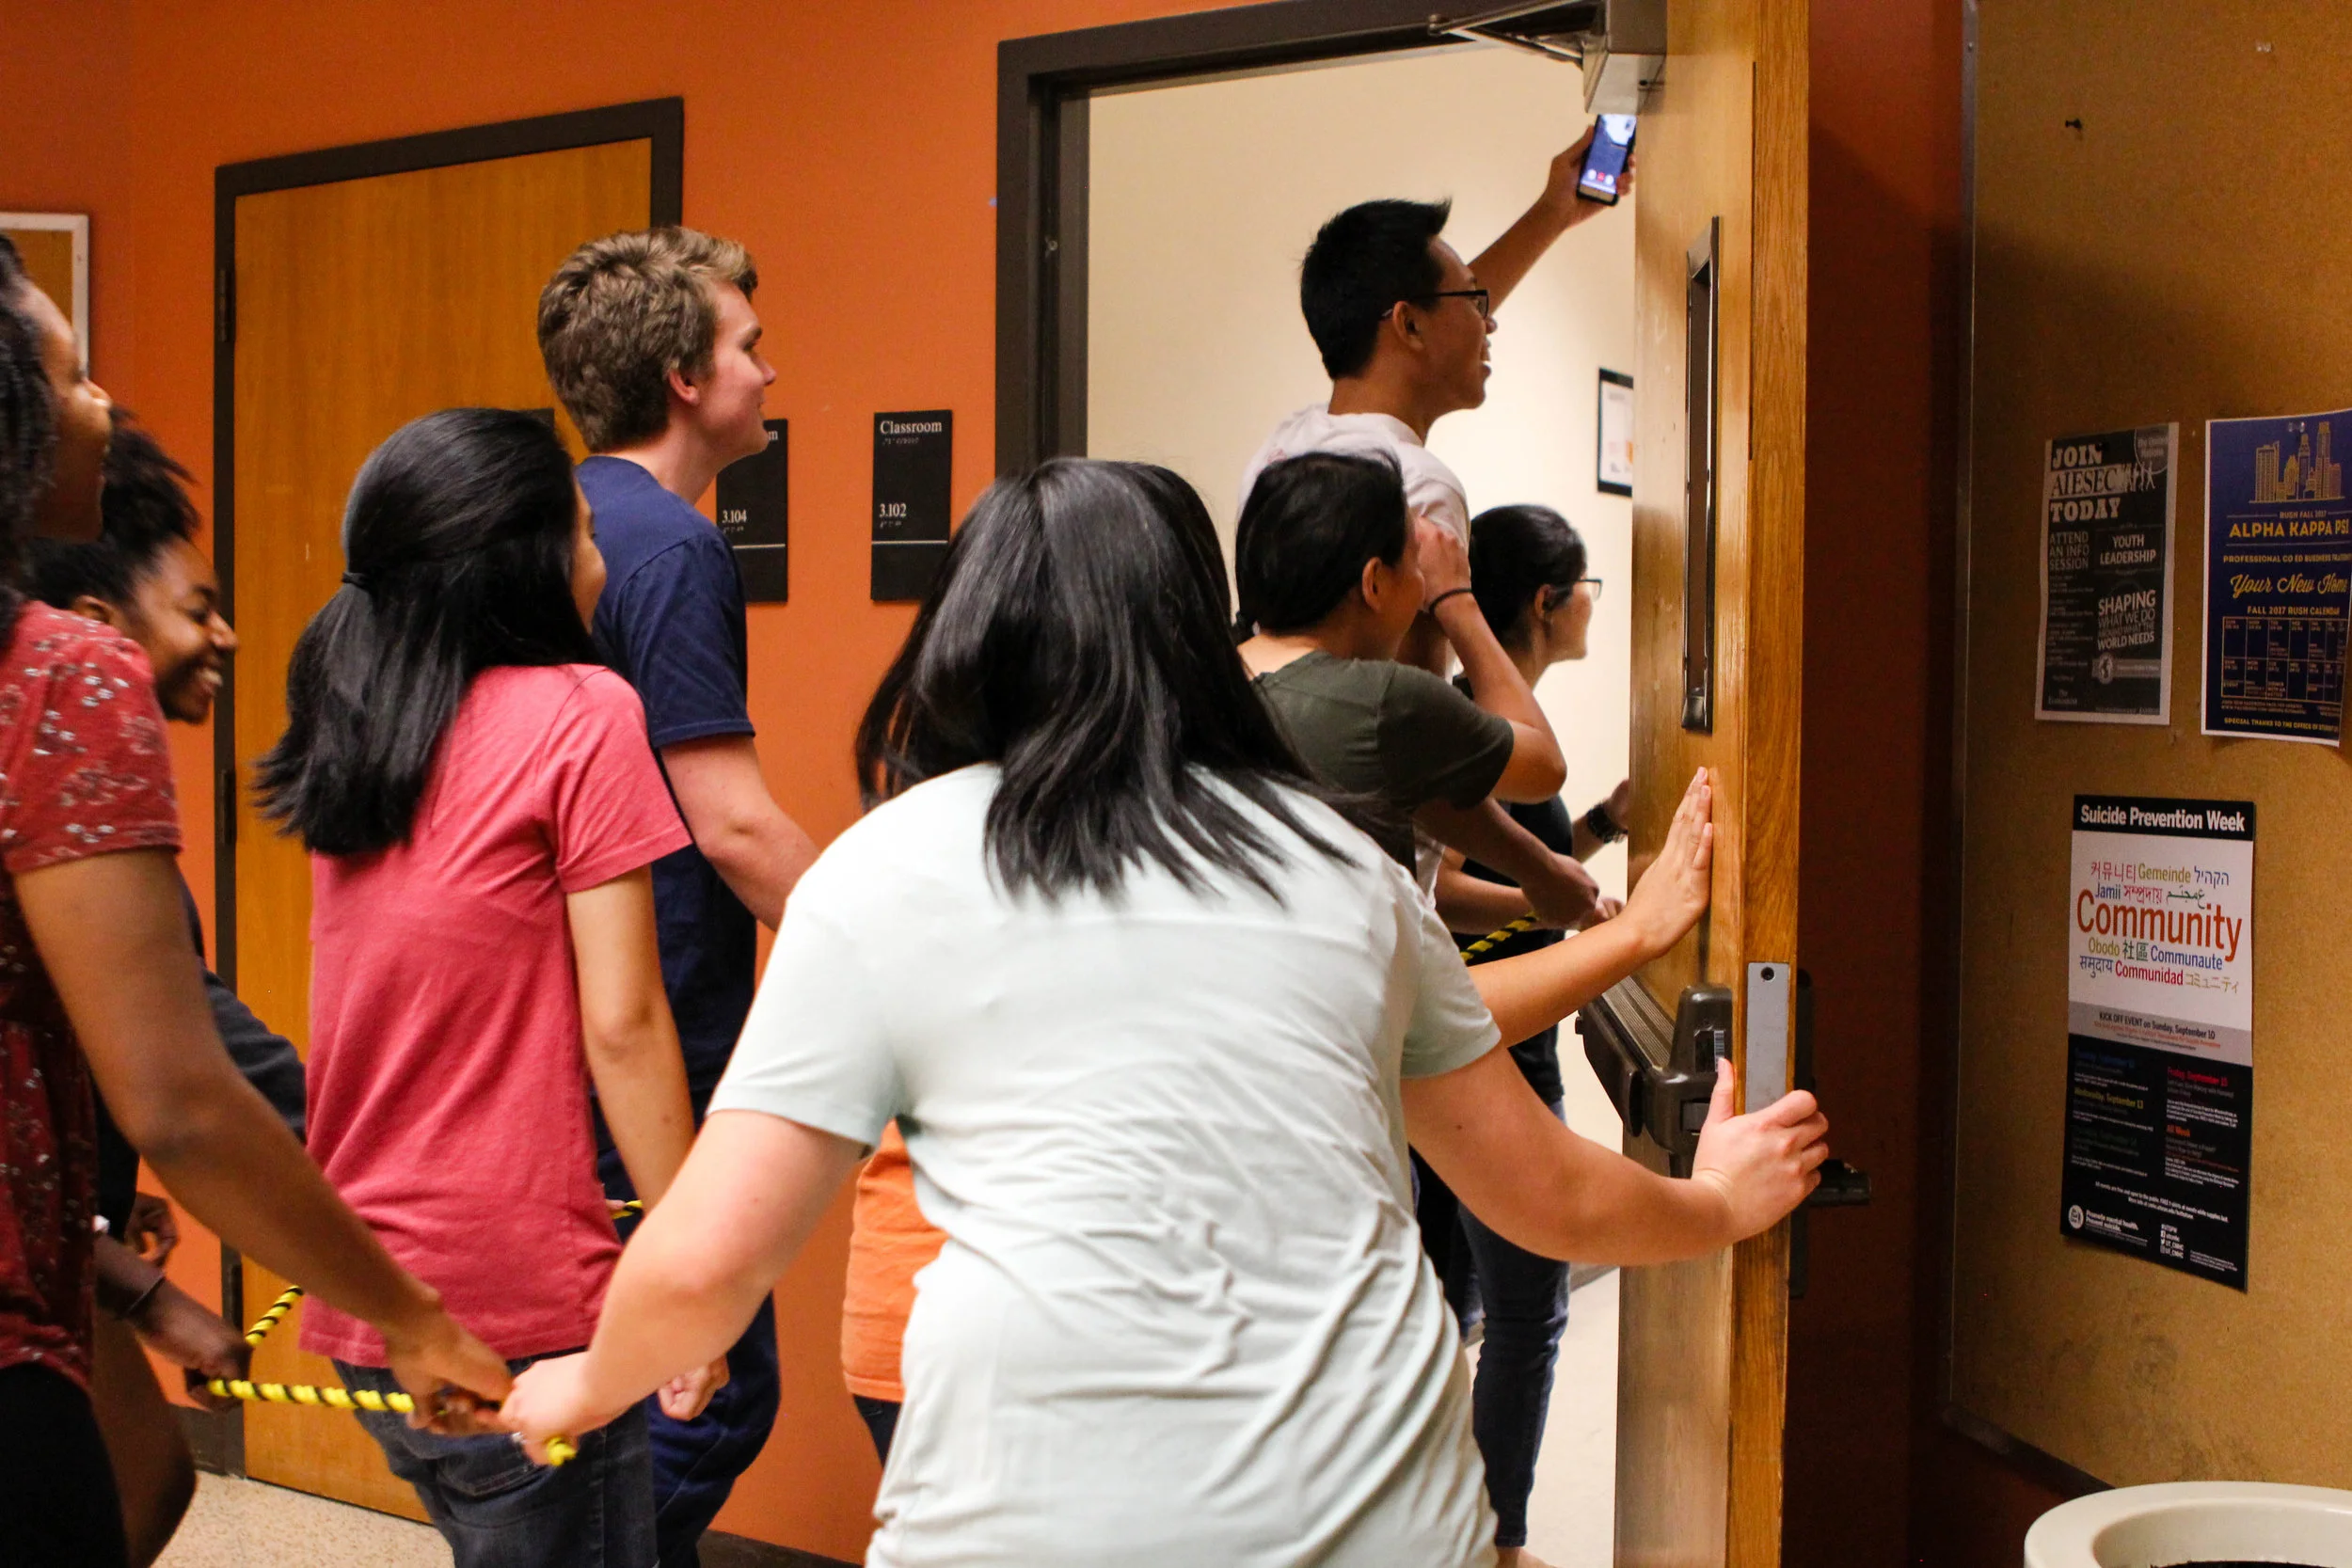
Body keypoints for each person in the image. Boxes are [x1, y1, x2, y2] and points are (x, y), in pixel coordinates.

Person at [497, 458, 1830, 1568]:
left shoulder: (882, 872)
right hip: (1372, 1514)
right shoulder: (1341, 867)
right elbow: (1548, 1195)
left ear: (964, 633)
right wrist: (1719, 1198)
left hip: (1022, 1524)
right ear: (1197, 636)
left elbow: (706, 1261)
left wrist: (578, 1380)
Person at [0, 237, 508, 1568]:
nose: (102, 405)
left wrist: (127, 1278)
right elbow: (180, 1094)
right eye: (74, 375)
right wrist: (410, 1311)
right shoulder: (63, 675)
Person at [254, 408, 721, 1566]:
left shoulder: (360, 722)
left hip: (371, 1288)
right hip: (514, 1300)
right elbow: (625, 1021)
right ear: (526, 562)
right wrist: (691, 1276)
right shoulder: (584, 711)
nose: (600, 556)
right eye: (584, 530)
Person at [538, 227, 815, 1560]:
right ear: (682, 376)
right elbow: (734, 824)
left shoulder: (562, 520)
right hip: (656, 1027)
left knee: (625, 1379)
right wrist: (902, 951)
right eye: (750, 346)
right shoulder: (672, 549)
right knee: (705, 1393)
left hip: (554, 1028)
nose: (772, 370)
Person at [25, 414, 311, 1563]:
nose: (225, 634)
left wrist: (104, 1218)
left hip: (56, 1250)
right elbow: (192, 1080)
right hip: (30, 1273)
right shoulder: (61, 770)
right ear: (99, 629)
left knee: (140, 1483)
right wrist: (411, 1302)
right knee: (125, 1490)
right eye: (198, 607)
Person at [1236, 126, 1631, 677]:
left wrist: (1553, 212)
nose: (1488, 323)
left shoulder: (1284, 448)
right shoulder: (1419, 488)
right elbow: (1417, 709)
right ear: (1408, 325)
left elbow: (1429, 312)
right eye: (1474, 303)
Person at [1445, 502, 1625, 1568]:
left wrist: (1598, 827)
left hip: (1473, 1053)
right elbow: (1447, 886)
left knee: (1462, 1307)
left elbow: (1515, 871)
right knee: (1524, 1315)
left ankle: (1457, 1531)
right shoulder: (1484, 727)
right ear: (1549, 602)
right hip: (1494, 1061)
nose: (1595, 604)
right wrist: (1576, 912)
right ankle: (1497, 1544)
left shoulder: (1480, 718)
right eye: (1587, 586)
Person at [1234, 451, 1597, 931]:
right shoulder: (1385, 699)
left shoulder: (1202, 676)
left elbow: (1431, 798)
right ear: (1374, 583)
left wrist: (1543, 871)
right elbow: (1544, 767)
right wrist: (1457, 600)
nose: (1424, 586)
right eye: (1416, 565)